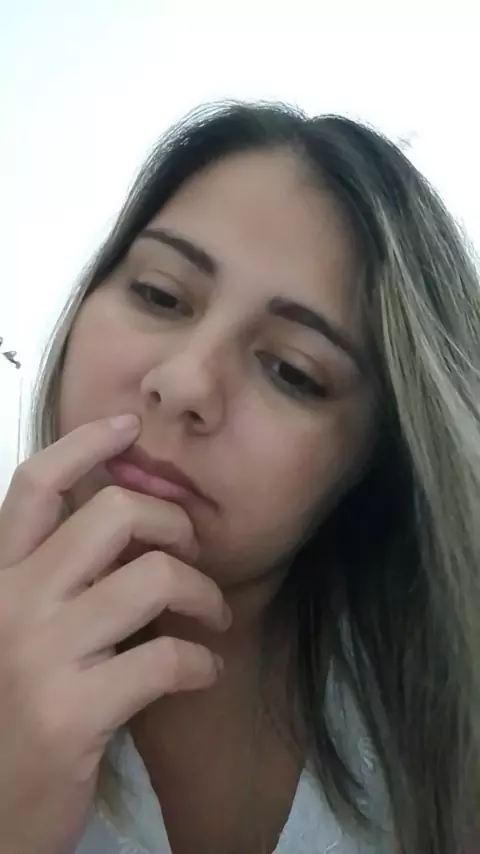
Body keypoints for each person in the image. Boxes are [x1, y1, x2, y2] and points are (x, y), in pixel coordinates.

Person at [0, 102, 479, 854]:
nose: (184, 382)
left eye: (293, 370)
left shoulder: (445, 726)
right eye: (160, 294)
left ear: (375, 460)